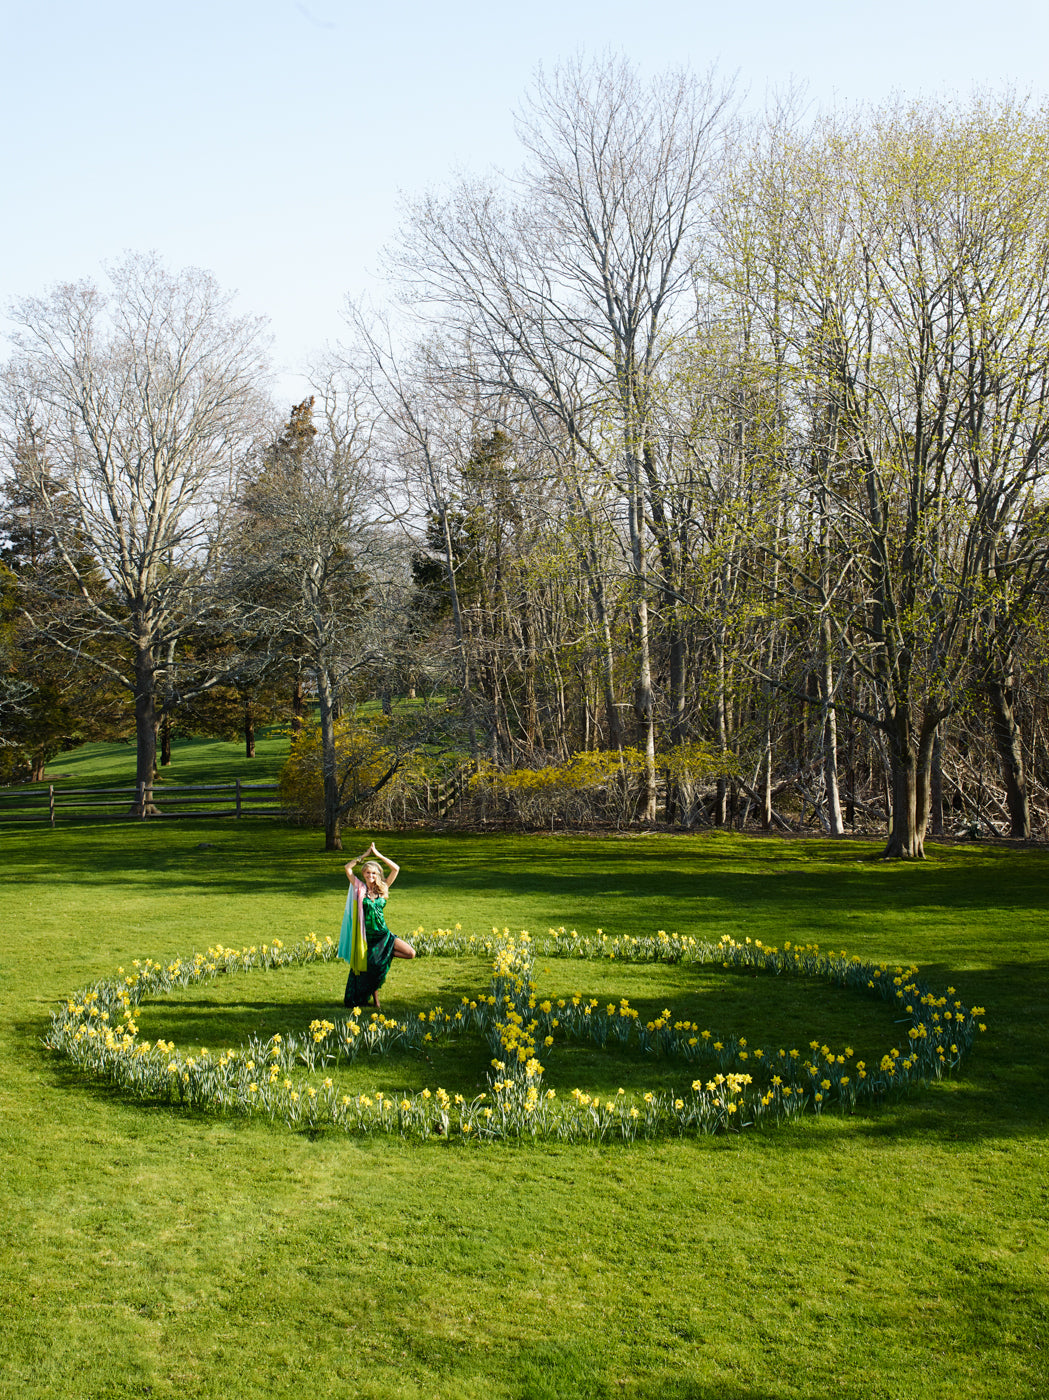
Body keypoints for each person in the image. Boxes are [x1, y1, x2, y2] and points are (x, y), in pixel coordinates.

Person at [340, 841, 415, 1011]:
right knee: (372, 969)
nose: (370, 876)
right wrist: (364, 856)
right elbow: (347, 868)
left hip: (383, 934)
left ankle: (386, 955)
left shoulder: (383, 888)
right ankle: (376, 1002)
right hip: (367, 937)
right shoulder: (359, 887)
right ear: (364, 874)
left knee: (411, 953)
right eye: (367, 873)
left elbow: (396, 869)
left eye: (373, 873)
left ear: (377, 874)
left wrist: (378, 855)